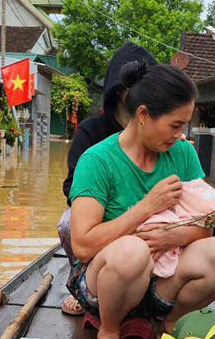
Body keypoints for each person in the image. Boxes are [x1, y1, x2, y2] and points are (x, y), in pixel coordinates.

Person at [68, 60, 215, 339]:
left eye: (183, 125)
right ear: (144, 114)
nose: (180, 135)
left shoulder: (183, 154)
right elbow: (83, 246)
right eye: (175, 125)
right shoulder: (97, 161)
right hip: (106, 284)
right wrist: (147, 206)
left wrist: (174, 236)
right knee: (132, 252)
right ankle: (110, 329)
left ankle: (170, 323)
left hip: (162, 282)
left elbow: (209, 225)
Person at [57, 42, 159, 316]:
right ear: (123, 90)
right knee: (68, 223)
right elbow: (71, 186)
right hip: (101, 216)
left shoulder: (160, 134)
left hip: (151, 214)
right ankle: (84, 281)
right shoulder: (92, 131)